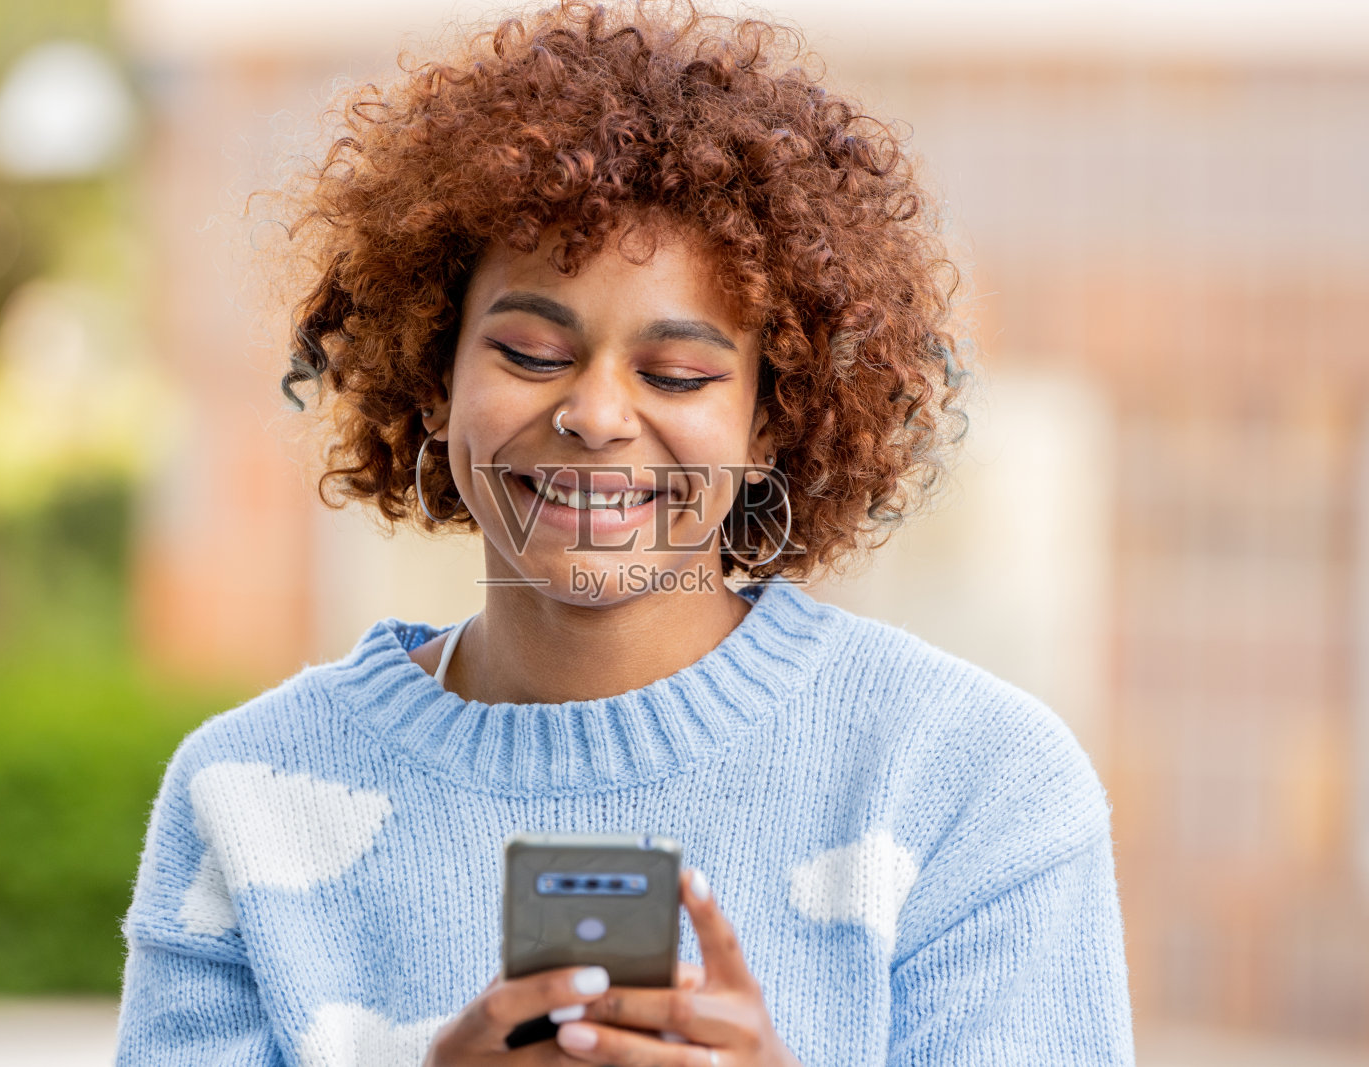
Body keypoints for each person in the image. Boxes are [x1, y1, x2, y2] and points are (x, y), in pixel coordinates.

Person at [114, 1, 1135, 1064]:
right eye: (529, 352)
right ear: (435, 374)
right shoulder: (247, 794)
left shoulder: (972, 780)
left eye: (678, 373)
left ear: (770, 417)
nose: (597, 414)